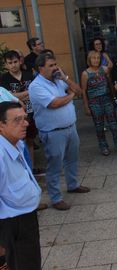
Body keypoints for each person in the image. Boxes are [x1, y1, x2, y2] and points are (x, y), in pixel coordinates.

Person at [29, 53, 90, 210]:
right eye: (51, 65)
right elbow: (54, 104)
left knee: (72, 160)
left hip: (70, 128)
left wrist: (65, 78)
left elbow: (78, 90)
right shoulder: (36, 86)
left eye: (55, 64)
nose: (55, 67)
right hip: (53, 132)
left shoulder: (58, 80)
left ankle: (73, 184)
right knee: (54, 165)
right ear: (40, 68)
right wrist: (70, 95)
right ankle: (56, 198)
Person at [0, 101, 42, 270]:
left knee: (31, 262)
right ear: (1, 125)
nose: (25, 123)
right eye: (17, 120)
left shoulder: (16, 142)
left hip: (25, 217)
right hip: (13, 224)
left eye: (25, 118)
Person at [1, 50, 43, 175]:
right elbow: (8, 95)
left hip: (31, 113)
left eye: (15, 62)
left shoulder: (28, 74)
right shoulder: (4, 78)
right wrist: (26, 93)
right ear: (6, 65)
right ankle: (21, 170)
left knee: (30, 140)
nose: (13, 65)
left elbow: (35, 90)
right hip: (15, 116)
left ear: (20, 61)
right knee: (18, 141)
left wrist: (19, 96)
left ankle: (31, 168)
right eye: (10, 63)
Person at [80, 51, 117, 156]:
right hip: (94, 101)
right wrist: (86, 106)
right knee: (99, 126)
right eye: (93, 58)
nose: (96, 60)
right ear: (89, 60)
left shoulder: (104, 69)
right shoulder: (85, 74)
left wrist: (114, 98)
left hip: (107, 99)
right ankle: (103, 146)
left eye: (98, 58)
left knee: (114, 124)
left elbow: (110, 84)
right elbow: (83, 91)